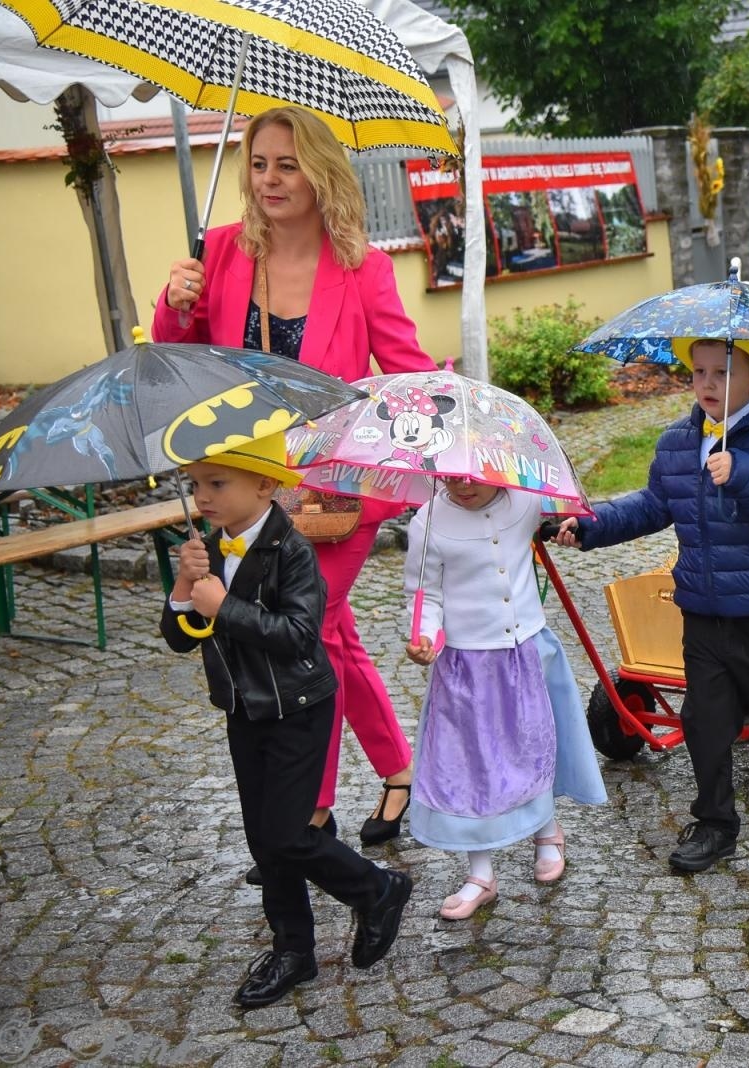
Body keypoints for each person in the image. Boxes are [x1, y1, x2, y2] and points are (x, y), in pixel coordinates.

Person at [155, 106, 432, 856]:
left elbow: (405, 376)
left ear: (320, 173)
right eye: (259, 163)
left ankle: (306, 816)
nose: (270, 179)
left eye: (287, 164)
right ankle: (398, 772)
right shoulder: (216, 253)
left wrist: (439, 435)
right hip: (247, 488)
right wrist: (175, 301)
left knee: (302, 635)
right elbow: (175, 356)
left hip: (331, 498)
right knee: (331, 637)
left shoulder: (363, 268)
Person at [555, 339, 749, 874]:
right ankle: (715, 822)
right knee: (705, 717)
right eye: (698, 373)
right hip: (704, 605)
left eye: (722, 373)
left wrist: (744, 473)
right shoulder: (679, 442)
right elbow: (651, 505)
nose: (707, 384)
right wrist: (590, 527)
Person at [158, 434, 411, 1008]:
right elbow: (178, 638)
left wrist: (226, 608)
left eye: (217, 483)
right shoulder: (207, 550)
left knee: (287, 832)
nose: (203, 496)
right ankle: (294, 950)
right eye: (196, 484)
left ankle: (379, 888)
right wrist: (182, 587)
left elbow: (300, 637)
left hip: (299, 707)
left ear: (265, 485)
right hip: (245, 709)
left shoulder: (290, 550)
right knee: (262, 840)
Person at [403, 477, 607, 920]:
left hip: (527, 651)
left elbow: (566, 512)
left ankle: (546, 831)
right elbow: (424, 594)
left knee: (533, 746)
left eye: (472, 476)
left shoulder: (526, 500)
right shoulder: (428, 521)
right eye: (451, 477)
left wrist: (568, 524)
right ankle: (481, 872)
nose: (462, 486)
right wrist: (423, 635)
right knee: (474, 763)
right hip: (467, 664)